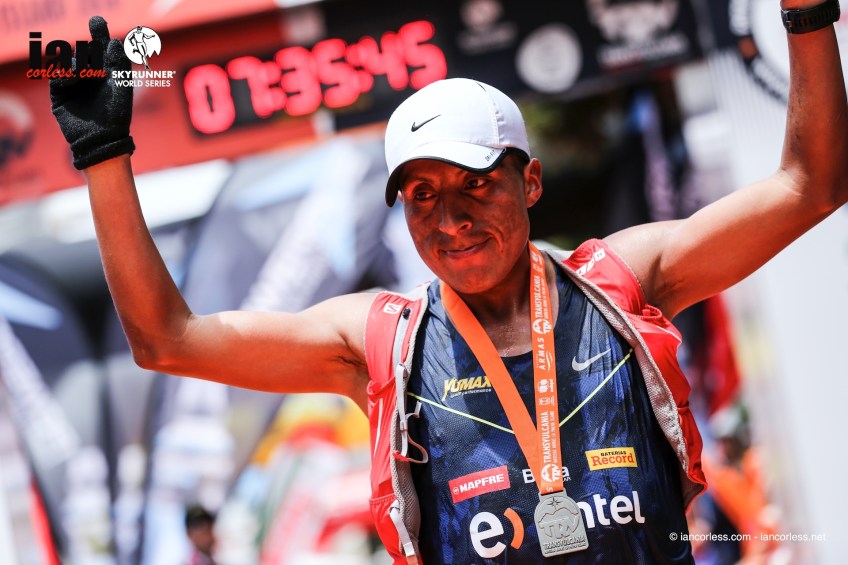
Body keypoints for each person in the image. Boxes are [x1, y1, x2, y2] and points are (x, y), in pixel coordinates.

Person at [48, 3, 846, 563]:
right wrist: (104, 159)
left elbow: (811, 185)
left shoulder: (617, 283)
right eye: (422, 195)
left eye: (475, 183)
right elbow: (167, 340)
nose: (452, 218)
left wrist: (806, 14)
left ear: (530, 181)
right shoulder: (383, 342)